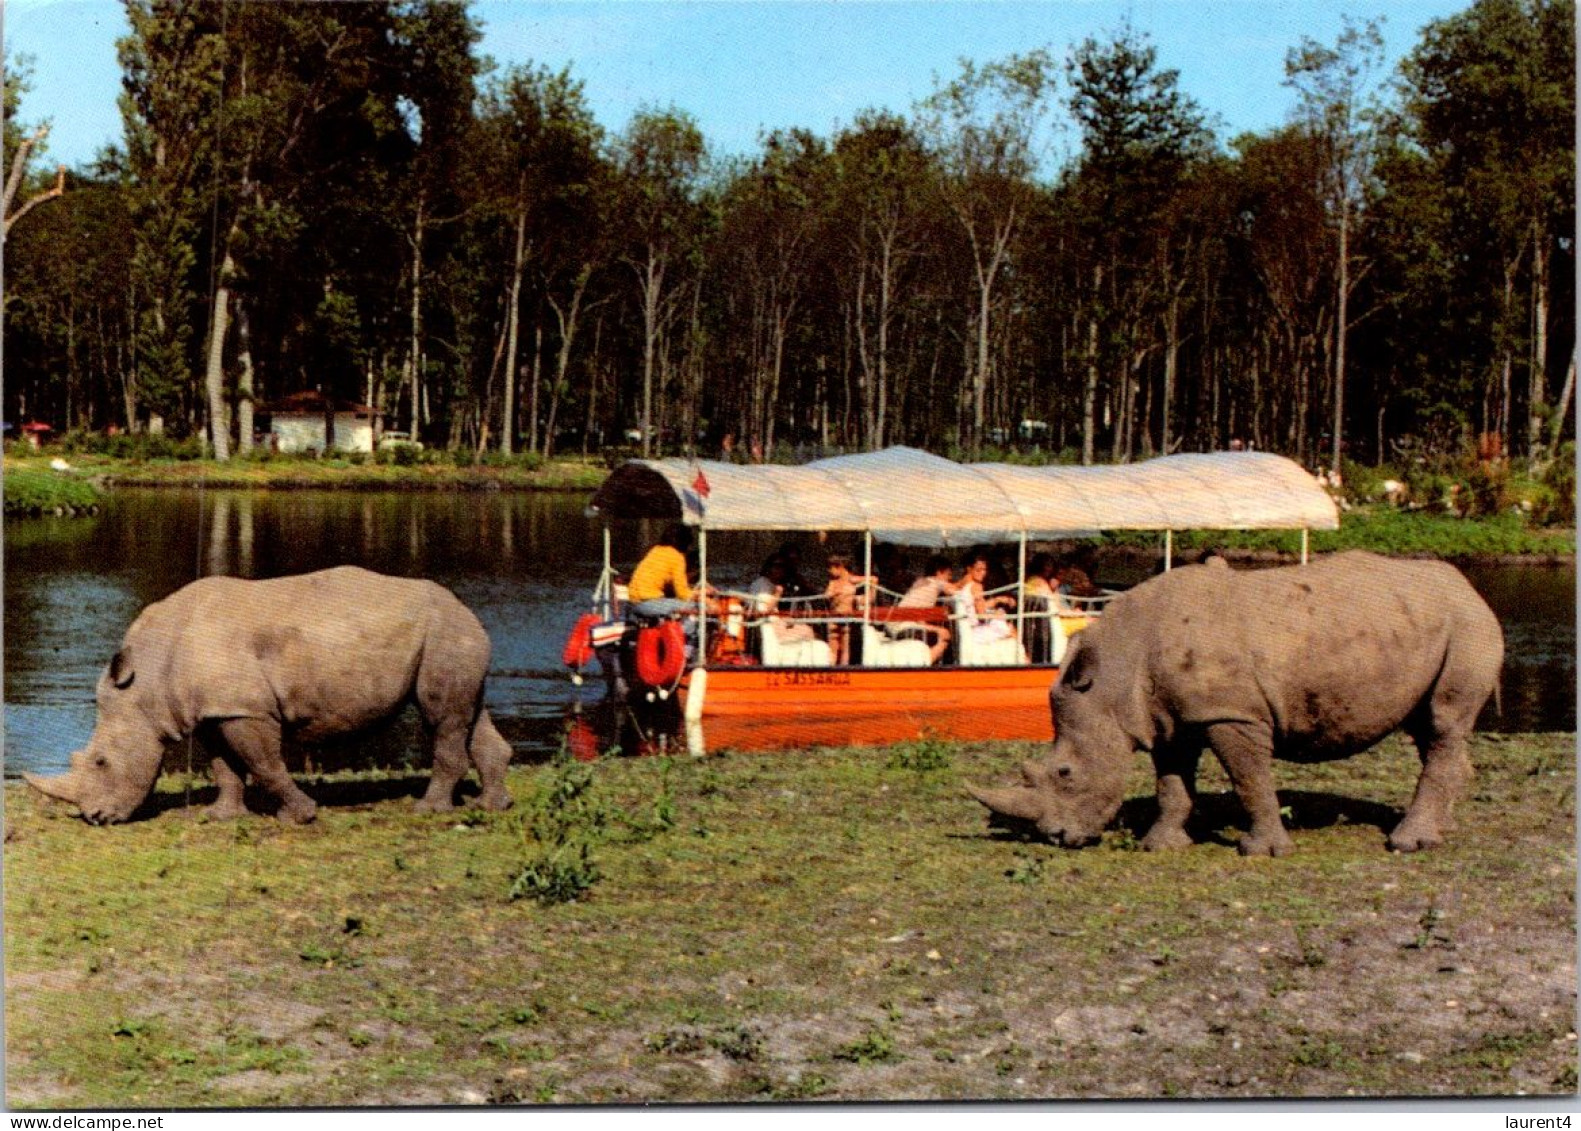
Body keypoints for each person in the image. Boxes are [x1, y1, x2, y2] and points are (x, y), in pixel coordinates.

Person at [628, 524, 712, 619]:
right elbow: (683, 594)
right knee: (698, 607)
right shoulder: (677, 557)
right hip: (649, 603)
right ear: (685, 542)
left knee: (676, 605)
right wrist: (701, 594)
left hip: (633, 602)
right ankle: (686, 632)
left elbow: (661, 581)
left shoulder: (656, 550)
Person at [895, 554, 959, 664]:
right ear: (939, 572)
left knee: (939, 631)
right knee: (945, 635)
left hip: (897, 625)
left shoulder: (921, 582)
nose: (950, 578)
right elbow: (956, 591)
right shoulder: (937, 582)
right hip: (906, 627)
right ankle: (931, 666)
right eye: (948, 574)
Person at [747, 555, 817, 647]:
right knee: (808, 632)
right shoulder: (761, 585)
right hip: (768, 627)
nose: (780, 569)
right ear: (768, 567)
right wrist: (777, 594)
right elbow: (763, 612)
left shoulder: (772, 584)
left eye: (783, 566)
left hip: (775, 623)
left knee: (806, 628)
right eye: (776, 566)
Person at [823, 554, 875, 665]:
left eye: (830, 567)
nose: (829, 571)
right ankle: (831, 667)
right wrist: (832, 594)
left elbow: (873, 579)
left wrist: (869, 595)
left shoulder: (851, 579)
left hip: (847, 616)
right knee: (833, 643)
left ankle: (844, 667)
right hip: (834, 616)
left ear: (840, 567)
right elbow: (826, 595)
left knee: (846, 645)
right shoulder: (832, 582)